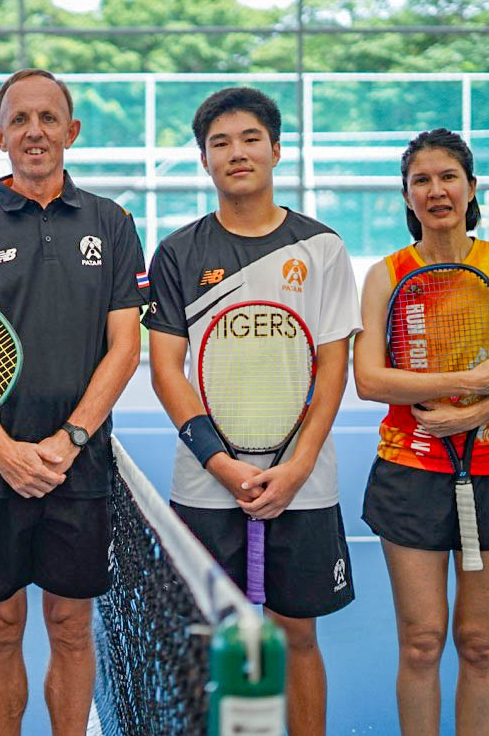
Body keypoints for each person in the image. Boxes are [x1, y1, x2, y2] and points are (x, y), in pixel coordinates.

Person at [0, 68, 148, 735]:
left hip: (77, 466)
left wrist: (69, 440)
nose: (34, 131)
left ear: (71, 131)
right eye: (20, 119)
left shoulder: (112, 224)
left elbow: (124, 346)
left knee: (70, 622)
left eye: (48, 118)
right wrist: (0, 449)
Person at [145, 87, 362, 736]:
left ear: (275, 148)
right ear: (204, 158)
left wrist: (295, 468)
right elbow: (165, 370)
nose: (236, 152)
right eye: (219, 142)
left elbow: (331, 370)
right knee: (209, 637)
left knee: (297, 632)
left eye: (248, 138)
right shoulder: (178, 252)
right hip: (206, 484)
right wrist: (221, 463)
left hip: (305, 479)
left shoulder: (321, 247)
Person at [353, 128, 489, 736]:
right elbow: (369, 380)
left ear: (471, 189)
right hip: (409, 474)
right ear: (408, 197)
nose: (436, 190)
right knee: (420, 643)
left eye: (448, 177)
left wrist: (470, 415)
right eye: (422, 180)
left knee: (479, 643)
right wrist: (464, 379)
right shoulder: (386, 275)